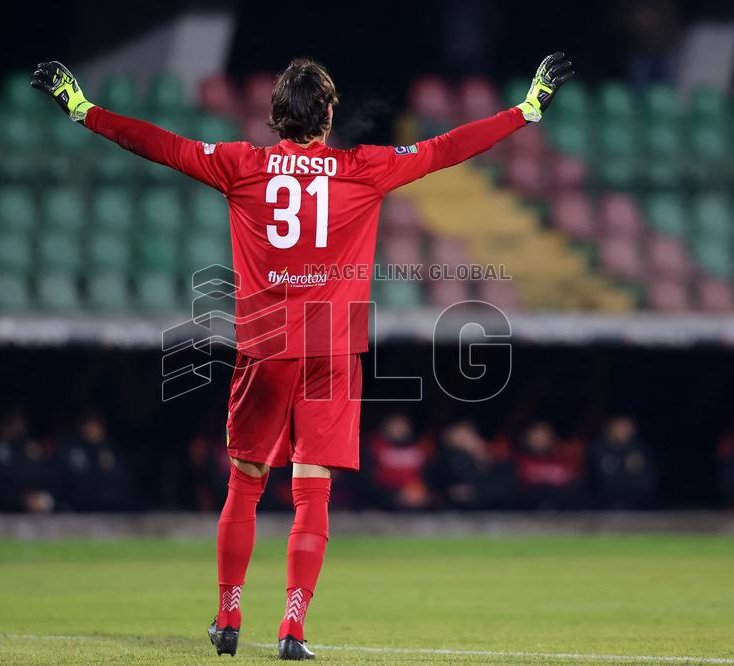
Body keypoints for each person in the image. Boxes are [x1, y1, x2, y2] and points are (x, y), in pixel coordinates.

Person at [32, 52, 574, 660]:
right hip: (334, 347)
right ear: (329, 114)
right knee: (312, 491)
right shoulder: (362, 169)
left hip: (266, 347)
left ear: (273, 118)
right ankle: (292, 627)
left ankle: (228, 615)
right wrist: (525, 111)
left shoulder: (241, 166)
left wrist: (84, 111)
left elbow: (159, 144)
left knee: (245, 483)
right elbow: (446, 148)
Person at [0, 409, 57, 513]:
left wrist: (40, 498)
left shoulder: (27, 447)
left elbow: (44, 477)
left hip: (29, 511)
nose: (20, 426)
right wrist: (20, 500)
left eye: (20, 421)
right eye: (15, 421)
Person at [424, 419, 517, 509]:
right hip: (452, 516)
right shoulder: (444, 462)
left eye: (465, 436)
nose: (462, 441)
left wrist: (476, 491)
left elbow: (508, 491)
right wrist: (449, 493)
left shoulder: (501, 459)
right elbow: (432, 489)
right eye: (457, 438)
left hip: (498, 515)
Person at [55, 412, 135, 511]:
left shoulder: (109, 449)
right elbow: (66, 477)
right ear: (82, 427)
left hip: (107, 507)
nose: (93, 429)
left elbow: (122, 478)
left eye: (96, 426)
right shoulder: (71, 448)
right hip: (77, 506)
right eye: (89, 425)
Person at [362, 412, 434, 510]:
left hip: (419, 500)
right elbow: (366, 480)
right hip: (381, 502)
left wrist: (424, 493)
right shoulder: (372, 447)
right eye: (395, 424)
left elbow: (431, 474)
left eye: (402, 424)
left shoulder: (423, 447)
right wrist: (393, 496)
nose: (399, 429)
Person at [587, 415, 658, 509]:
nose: (624, 431)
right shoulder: (598, 449)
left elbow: (646, 480)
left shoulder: (638, 450)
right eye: (620, 427)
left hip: (635, 504)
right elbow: (596, 480)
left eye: (627, 427)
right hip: (604, 504)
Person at [514, 420, 586, 510]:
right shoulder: (516, 463)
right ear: (526, 437)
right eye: (537, 434)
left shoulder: (563, 463)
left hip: (560, 514)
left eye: (545, 434)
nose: (541, 438)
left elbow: (574, 491)